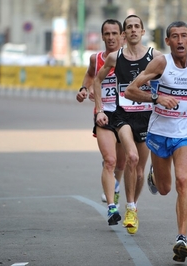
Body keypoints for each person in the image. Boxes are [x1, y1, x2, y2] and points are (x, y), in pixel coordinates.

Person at [125, 21, 187, 262]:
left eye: (183, 36)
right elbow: (130, 90)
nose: (179, 41)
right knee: (165, 188)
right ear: (167, 42)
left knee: (182, 181)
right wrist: (157, 97)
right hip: (160, 132)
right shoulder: (161, 63)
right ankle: (154, 176)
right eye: (174, 37)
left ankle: (182, 239)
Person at [94, 14, 162, 234]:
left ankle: (134, 204)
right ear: (125, 34)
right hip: (122, 116)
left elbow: (170, 78)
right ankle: (129, 207)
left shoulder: (155, 57)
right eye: (129, 27)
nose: (133, 30)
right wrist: (101, 109)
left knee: (139, 171)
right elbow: (97, 80)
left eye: (137, 27)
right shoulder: (115, 57)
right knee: (131, 157)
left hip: (146, 117)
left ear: (143, 32)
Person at [75, 19, 125, 226]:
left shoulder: (131, 58)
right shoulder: (96, 59)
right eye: (107, 33)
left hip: (127, 115)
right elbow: (89, 75)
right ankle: (112, 209)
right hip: (103, 114)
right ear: (102, 36)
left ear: (122, 36)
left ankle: (115, 185)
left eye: (115, 33)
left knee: (120, 164)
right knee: (110, 160)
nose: (111, 37)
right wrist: (84, 88)